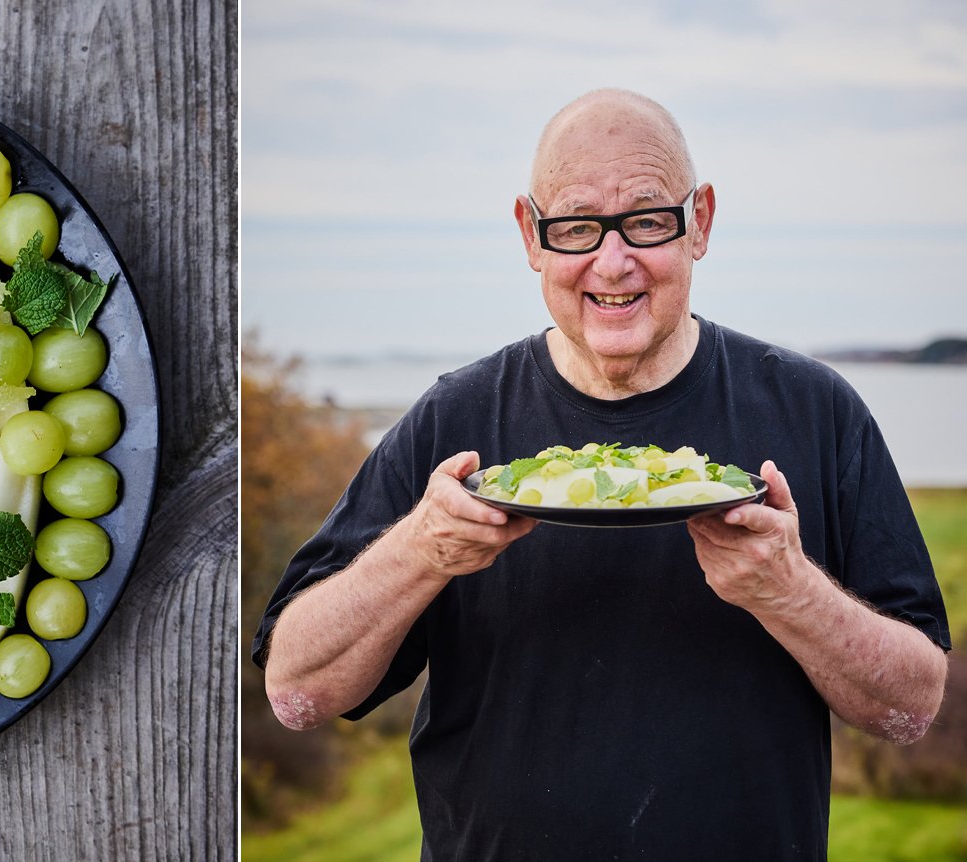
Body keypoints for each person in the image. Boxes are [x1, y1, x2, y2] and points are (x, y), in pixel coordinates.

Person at [252, 89, 950, 860]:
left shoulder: (816, 412)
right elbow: (296, 691)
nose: (612, 263)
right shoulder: (455, 421)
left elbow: (911, 706)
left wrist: (789, 590)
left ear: (701, 223)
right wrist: (420, 550)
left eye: (647, 220)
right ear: (531, 234)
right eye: (577, 226)